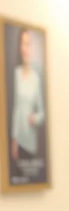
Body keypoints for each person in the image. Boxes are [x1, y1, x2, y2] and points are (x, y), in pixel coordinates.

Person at [9, 28, 45, 170]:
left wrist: (34, 118)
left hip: (31, 144)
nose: (25, 48)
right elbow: (16, 109)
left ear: (32, 49)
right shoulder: (15, 75)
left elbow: (42, 113)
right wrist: (14, 140)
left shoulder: (36, 79)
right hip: (19, 142)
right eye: (22, 44)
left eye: (28, 44)